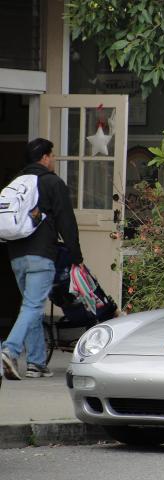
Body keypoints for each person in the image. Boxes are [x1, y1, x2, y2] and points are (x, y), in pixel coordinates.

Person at [1, 138, 83, 380]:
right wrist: (75, 254)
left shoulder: (17, 183)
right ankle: (10, 350)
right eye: (53, 156)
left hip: (16, 256)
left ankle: (36, 363)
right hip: (41, 255)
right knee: (33, 306)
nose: (54, 160)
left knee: (30, 306)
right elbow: (66, 221)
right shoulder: (52, 183)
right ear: (45, 157)